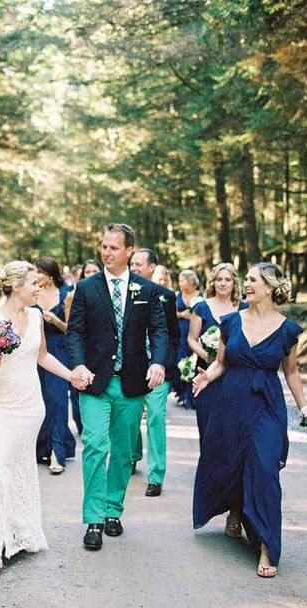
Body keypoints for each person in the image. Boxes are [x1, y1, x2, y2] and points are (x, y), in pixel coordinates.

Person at [0, 261, 88, 571]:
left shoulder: (35, 316)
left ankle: (19, 533)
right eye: (34, 283)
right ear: (17, 286)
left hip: (30, 407)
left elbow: (42, 356)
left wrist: (70, 375)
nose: (39, 288)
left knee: (19, 468)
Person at [192, 263, 306, 578]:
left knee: (266, 468)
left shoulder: (288, 330)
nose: (247, 285)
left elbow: (292, 372)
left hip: (267, 405)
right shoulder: (230, 323)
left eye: (253, 280)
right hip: (232, 401)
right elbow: (220, 363)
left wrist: (306, 409)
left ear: (269, 287)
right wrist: (206, 378)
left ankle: (268, 546)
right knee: (234, 460)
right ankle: (235, 509)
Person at [67, 224, 168, 550]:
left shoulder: (147, 290)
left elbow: (160, 331)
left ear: (128, 251)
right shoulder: (86, 287)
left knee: (123, 452)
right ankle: (93, 519)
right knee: (95, 445)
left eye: (113, 248)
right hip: (94, 382)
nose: (106, 252)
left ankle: (113, 510)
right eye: (104, 246)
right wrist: (79, 364)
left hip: (131, 383)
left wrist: (158, 362)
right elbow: (75, 332)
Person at [128, 249, 181, 498]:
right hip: (130, 368)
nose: (134, 267)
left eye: (139, 264)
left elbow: (172, 335)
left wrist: (165, 365)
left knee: (156, 417)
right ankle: (132, 455)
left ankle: (156, 475)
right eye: (132, 264)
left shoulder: (167, 297)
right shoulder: (125, 292)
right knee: (130, 418)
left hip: (157, 369)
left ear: (152, 268)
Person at [187, 262, 247, 440]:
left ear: (234, 283)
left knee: (233, 425)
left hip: (235, 372)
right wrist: (206, 355)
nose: (223, 283)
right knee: (208, 424)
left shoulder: (244, 309)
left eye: (227, 279)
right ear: (213, 282)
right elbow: (191, 338)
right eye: (219, 279)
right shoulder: (202, 308)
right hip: (206, 370)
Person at [33, 257, 77, 475]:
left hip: (58, 351)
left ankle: (56, 454)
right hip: (34, 352)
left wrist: (55, 321)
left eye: (39, 272)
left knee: (58, 400)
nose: (36, 276)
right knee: (39, 400)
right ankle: (42, 447)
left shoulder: (67, 294)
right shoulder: (33, 293)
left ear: (50, 274)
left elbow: (72, 329)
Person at [65, 259, 101, 436]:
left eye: (95, 271)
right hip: (80, 347)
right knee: (79, 387)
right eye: (88, 272)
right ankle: (82, 424)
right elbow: (69, 327)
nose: (92, 275)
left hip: (100, 350)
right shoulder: (74, 295)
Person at [174, 269, 203, 410]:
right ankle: (181, 392)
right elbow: (170, 313)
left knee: (193, 365)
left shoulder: (201, 296)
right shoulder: (177, 295)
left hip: (195, 335)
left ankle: (190, 397)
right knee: (179, 365)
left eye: (182, 280)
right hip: (180, 334)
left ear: (191, 282)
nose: (180, 283)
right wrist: (181, 315)